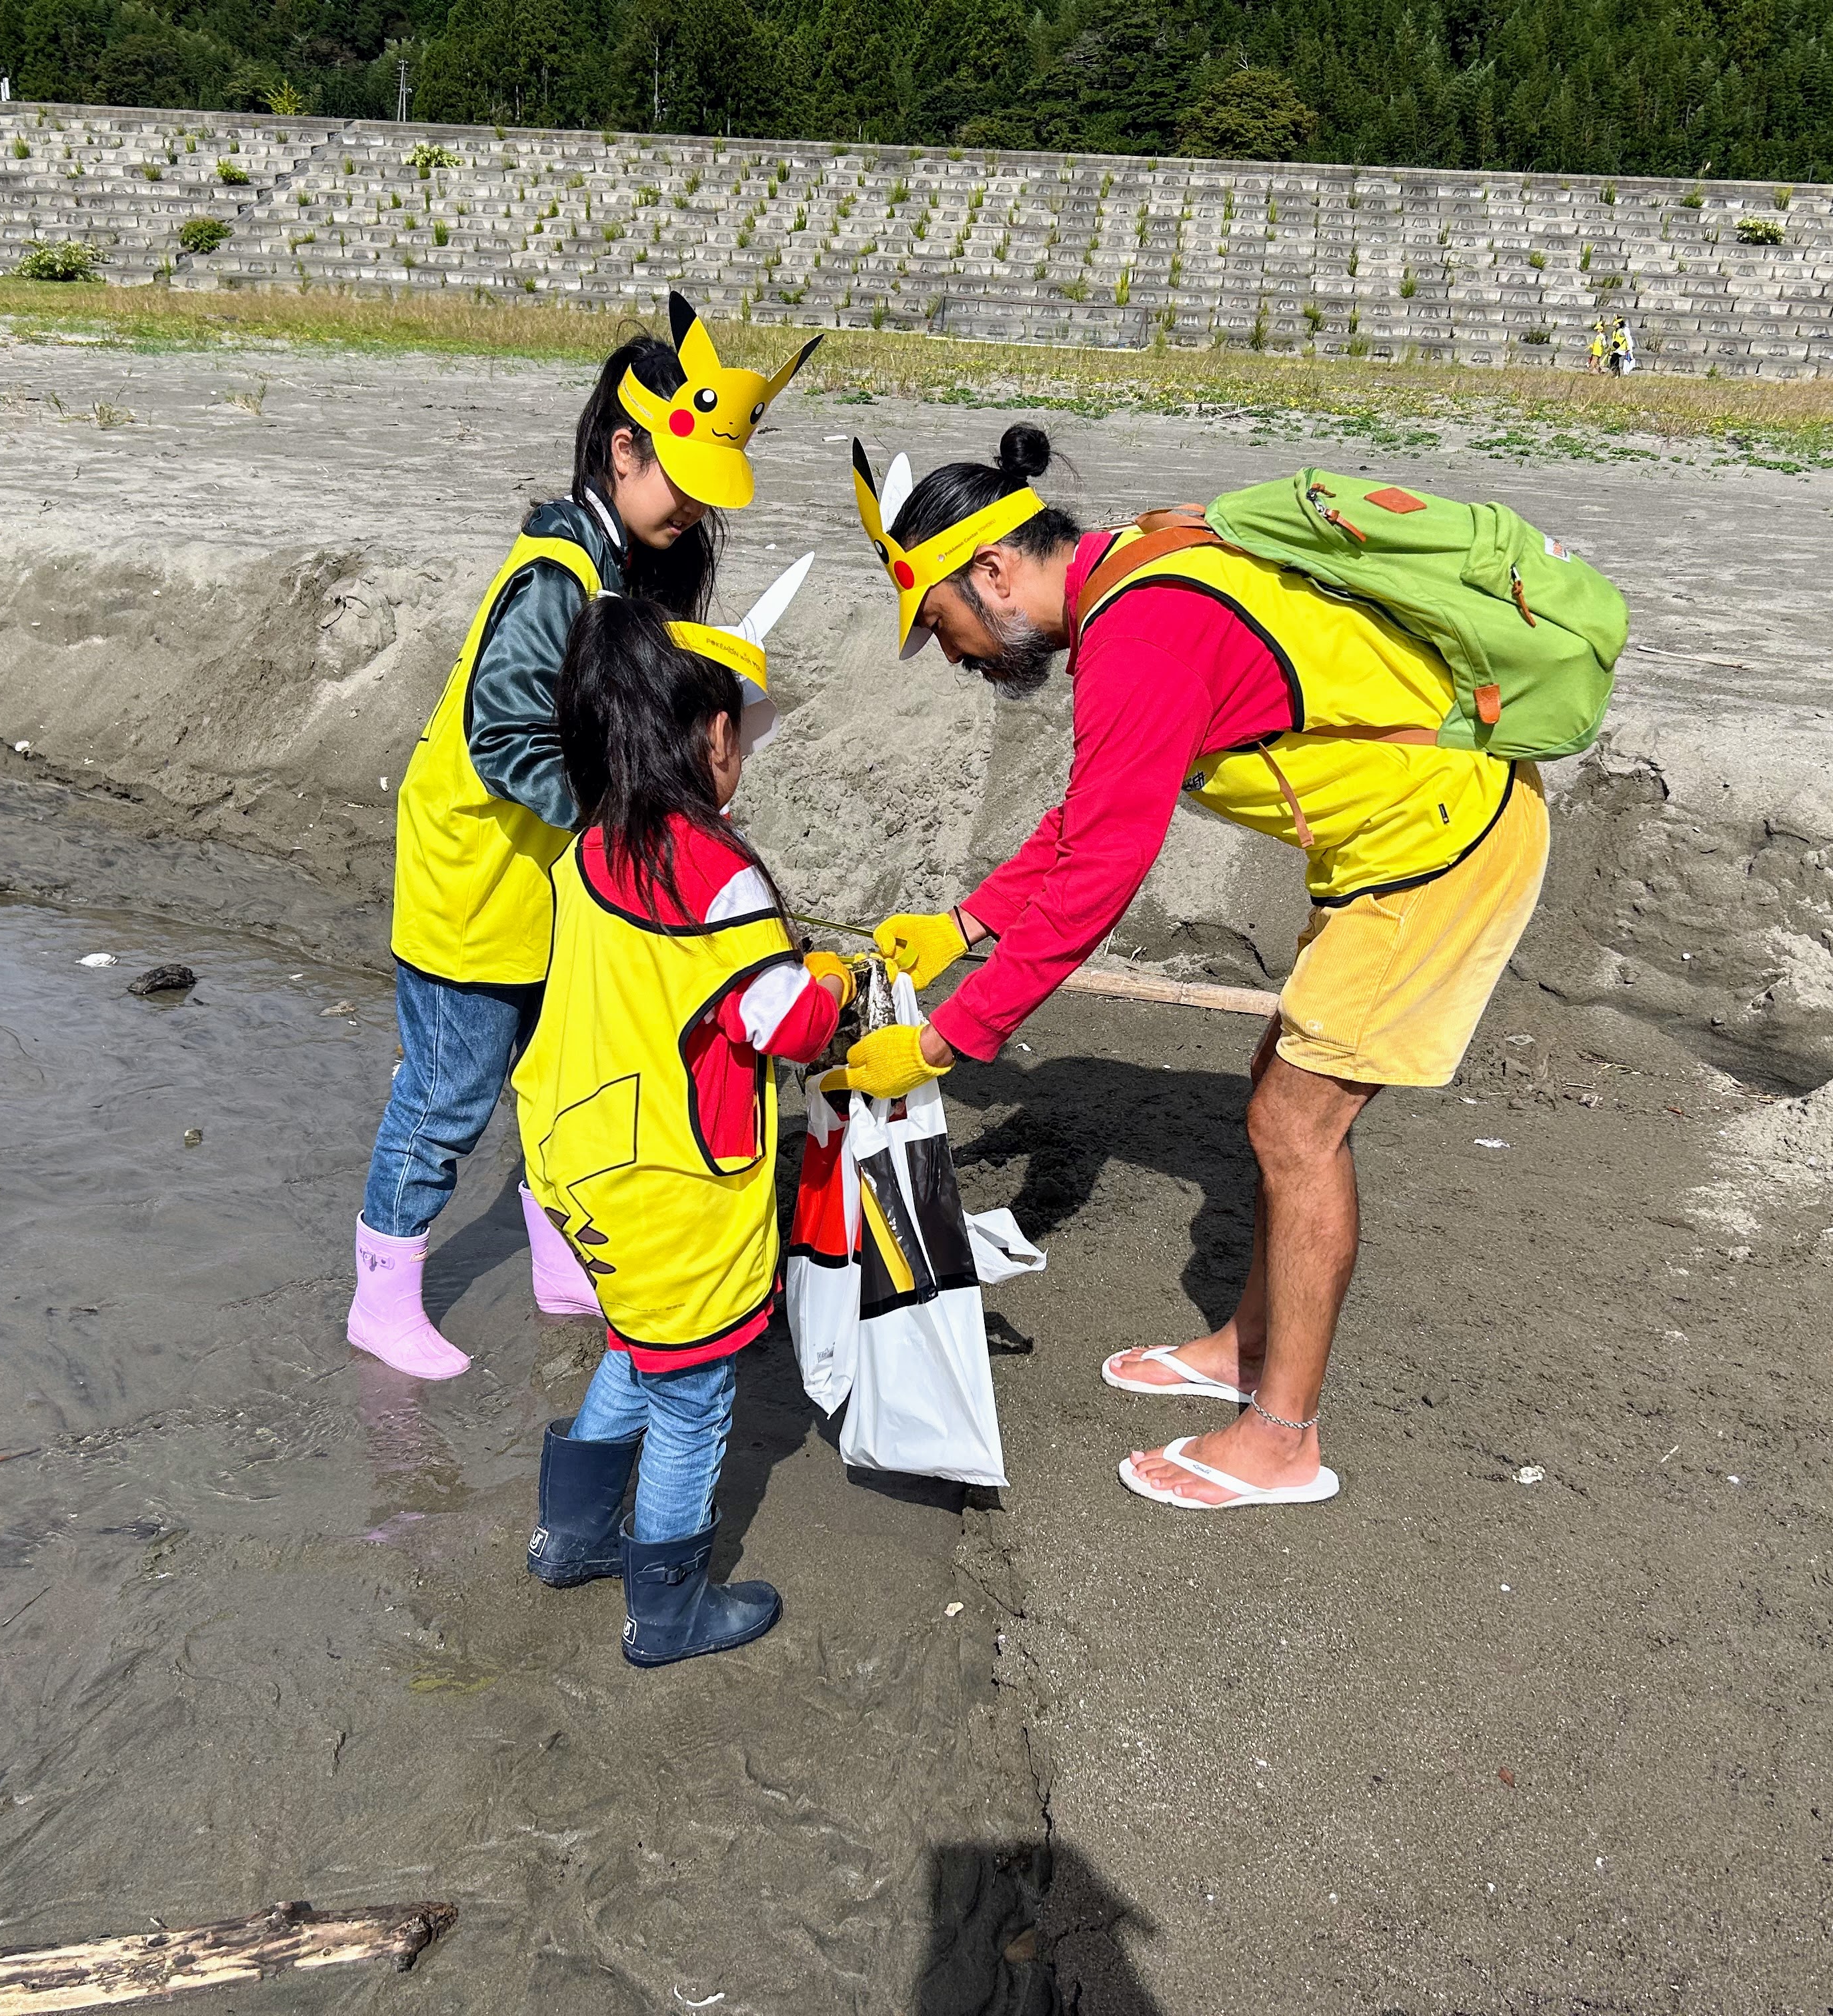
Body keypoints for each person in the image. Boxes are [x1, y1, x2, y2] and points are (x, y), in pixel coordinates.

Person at [835, 426, 1553, 1511]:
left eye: (940, 626)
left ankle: (1282, 1439)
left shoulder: (1144, 630)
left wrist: (943, 1039)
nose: (954, 655)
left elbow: (1103, 873)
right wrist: (968, 924)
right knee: (1280, 1095)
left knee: (1293, 1130)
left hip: (1438, 849)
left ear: (990, 572)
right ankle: (1247, 1344)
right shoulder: (1136, 569)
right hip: (1396, 842)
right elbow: (1097, 809)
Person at [348, 293, 819, 1380]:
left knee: (553, 1078)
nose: (696, 515)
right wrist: (630, 807)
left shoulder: (610, 574)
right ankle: (384, 1294)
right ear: (622, 450)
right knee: (447, 1093)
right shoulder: (556, 579)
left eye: (712, 500)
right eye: (686, 489)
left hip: (548, 884)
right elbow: (502, 732)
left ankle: (562, 1261)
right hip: (476, 882)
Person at [513, 595, 851, 1665]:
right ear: (710, 736)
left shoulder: (592, 846)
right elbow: (786, 1023)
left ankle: (567, 1541)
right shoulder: (717, 875)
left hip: (580, 1161)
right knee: (696, 1397)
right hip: (674, 1180)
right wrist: (836, 985)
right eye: (740, 737)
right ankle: (667, 1612)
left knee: (637, 1345)